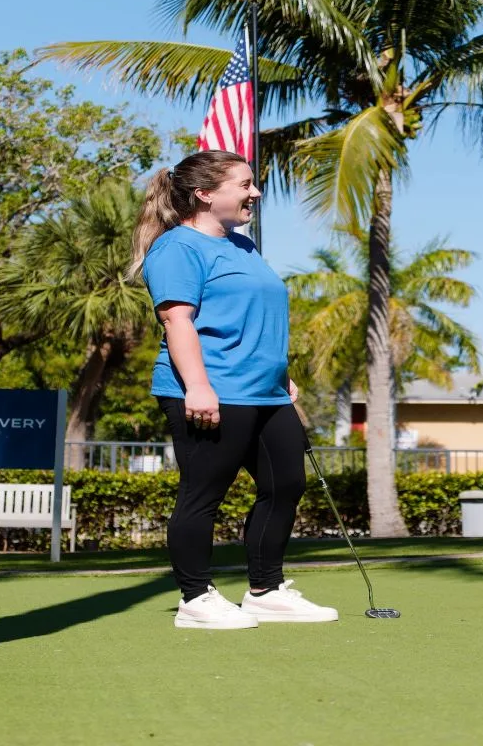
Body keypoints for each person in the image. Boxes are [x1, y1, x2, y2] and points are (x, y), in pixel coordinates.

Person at [128, 149, 337, 630]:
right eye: (245, 184)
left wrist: (278, 371)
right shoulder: (177, 248)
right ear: (204, 194)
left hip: (265, 392)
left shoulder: (244, 246)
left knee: (285, 485)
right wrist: (198, 387)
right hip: (211, 391)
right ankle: (195, 599)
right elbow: (178, 322)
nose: (256, 193)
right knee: (203, 494)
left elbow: (250, 313)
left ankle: (265, 591)